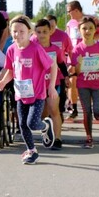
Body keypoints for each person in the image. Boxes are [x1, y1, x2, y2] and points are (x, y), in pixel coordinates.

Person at [0, 16, 57, 165]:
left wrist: (51, 87)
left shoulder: (36, 48)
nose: (18, 34)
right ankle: (32, 151)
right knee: (23, 124)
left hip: (37, 94)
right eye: (15, 31)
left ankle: (46, 126)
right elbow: (11, 70)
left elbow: (52, 65)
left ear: (30, 32)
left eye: (22, 31)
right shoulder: (11, 49)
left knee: (32, 123)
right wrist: (4, 81)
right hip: (20, 94)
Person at [70, 17, 99, 149]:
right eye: (84, 28)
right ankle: (89, 137)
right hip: (83, 84)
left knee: (97, 113)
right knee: (86, 111)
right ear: (79, 31)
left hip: (98, 84)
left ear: (95, 30)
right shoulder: (77, 49)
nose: (87, 31)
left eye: (90, 28)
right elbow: (76, 72)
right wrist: (78, 64)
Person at [33, 19, 66, 149]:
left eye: (45, 32)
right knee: (43, 113)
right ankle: (47, 133)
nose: (42, 35)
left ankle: (57, 139)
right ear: (35, 33)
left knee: (54, 110)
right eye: (39, 32)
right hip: (37, 86)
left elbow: (62, 64)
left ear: (50, 32)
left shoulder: (56, 49)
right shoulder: (31, 47)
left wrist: (67, 77)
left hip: (53, 84)